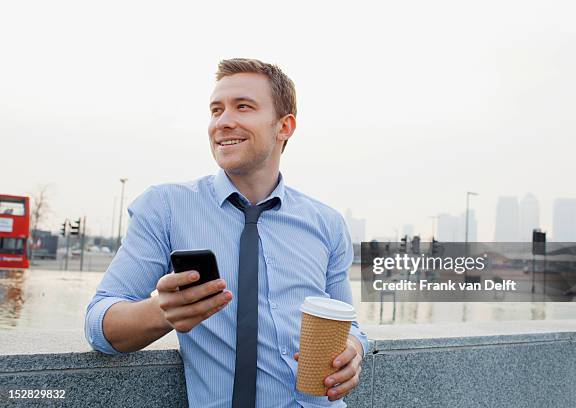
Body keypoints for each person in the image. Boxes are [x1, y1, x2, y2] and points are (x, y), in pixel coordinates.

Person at [85, 58, 368, 407]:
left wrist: (353, 349)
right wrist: (162, 312)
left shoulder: (327, 223)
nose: (223, 122)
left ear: (285, 126)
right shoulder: (166, 207)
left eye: (243, 107)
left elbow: (348, 323)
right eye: (216, 110)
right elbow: (98, 324)